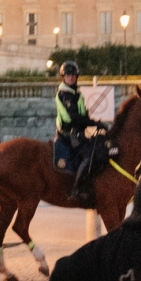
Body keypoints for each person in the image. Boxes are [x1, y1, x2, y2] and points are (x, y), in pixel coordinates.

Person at [54, 60, 100, 202]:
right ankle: (76, 189)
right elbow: (74, 117)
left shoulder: (75, 93)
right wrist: (94, 123)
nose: (71, 77)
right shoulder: (66, 94)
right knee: (88, 155)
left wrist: (93, 123)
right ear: (63, 77)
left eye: (73, 75)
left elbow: (83, 114)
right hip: (69, 133)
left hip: (77, 131)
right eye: (68, 75)